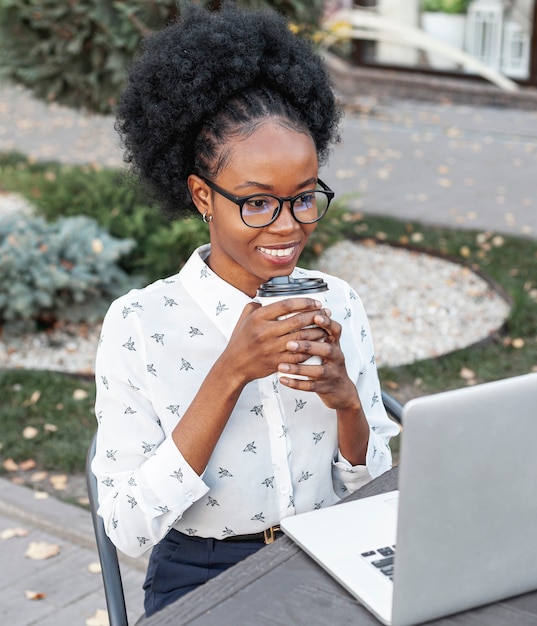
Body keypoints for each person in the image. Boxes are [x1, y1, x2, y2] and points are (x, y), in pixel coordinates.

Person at [92, 1, 399, 617]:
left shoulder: (337, 301)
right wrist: (231, 370)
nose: (289, 227)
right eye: (258, 203)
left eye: (305, 198)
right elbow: (127, 530)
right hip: (203, 572)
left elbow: (372, 492)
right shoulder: (141, 326)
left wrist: (346, 403)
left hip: (330, 554)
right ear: (203, 195)